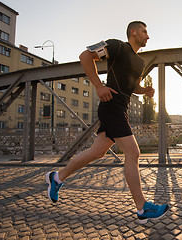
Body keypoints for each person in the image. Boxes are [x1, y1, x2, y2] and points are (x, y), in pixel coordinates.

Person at [45, 21, 169, 224]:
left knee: (97, 152)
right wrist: (98, 86)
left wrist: (144, 90)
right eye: (145, 32)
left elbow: (133, 85)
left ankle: (57, 178)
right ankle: (142, 208)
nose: (148, 36)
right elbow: (85, 56)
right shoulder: (116, 46)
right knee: (133, 153)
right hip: (110, 106)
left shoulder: (139, 62)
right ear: (133, 32)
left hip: (122, 109)